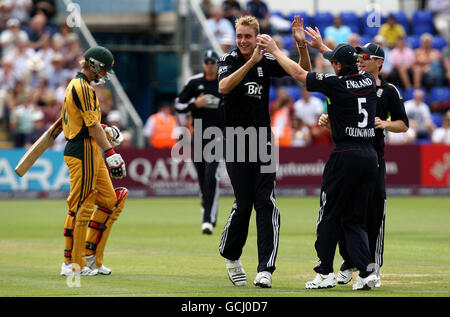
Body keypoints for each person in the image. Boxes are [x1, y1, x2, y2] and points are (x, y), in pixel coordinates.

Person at [258, 26, 380, 290]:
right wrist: (322, 49)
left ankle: (325, 272)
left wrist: (277, 51)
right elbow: (346, 65)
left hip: (345, 154)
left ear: (336, 65)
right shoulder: (368, 81)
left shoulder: (335, 84)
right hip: (370, 156)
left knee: (329, 215)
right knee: (354, 218)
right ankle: (368, 271)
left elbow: (300, 74)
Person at [218, 15, 311, 289]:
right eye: (240, 36)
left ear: (257, 36)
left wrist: (301, 46)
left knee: (266, 202)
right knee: (243, 204)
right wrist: (251, 63)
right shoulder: (230, 59)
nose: (243, 41)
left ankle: (265, 269)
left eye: (248, 36)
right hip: (236, 139)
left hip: (263, 140)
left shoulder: (266, 60)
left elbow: (302, 74)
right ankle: (231, 256)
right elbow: (223, 87)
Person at [323, 43, 409, 288]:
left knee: (373, 214)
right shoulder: (356, 84)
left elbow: (403, 124)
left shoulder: (389, 90)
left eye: (366, 57)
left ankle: (373, 266)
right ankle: (350, 262)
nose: (360, 60)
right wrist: (329, 122)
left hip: (375, 159)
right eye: (358, 57)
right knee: (345, 213)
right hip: (355, 155)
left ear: (379, 62)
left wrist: (384, 124)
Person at [60, 46, 128, 277]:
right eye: (104, 70)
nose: (105, 75)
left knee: (111, 201)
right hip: (81, 150)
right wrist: (111, 153)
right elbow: (89, 126)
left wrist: (106, 130)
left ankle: (91, 257)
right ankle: (73, 264)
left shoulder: (80, 87)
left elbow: (91, 124)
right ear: (95, 65)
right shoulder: (81, 88)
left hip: (88, 148)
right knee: (82, 205)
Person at [175, 50, 224, 235]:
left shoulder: (224, 81)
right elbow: (178, 104)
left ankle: (208, 220)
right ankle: (206, 204)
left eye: (213, 62)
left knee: (212, 176)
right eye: (207, 61)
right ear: (203, 63)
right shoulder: (195, 83)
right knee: (203, 176)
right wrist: (195, 104)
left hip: (219, 136)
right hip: (198, 136)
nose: (210, 65)